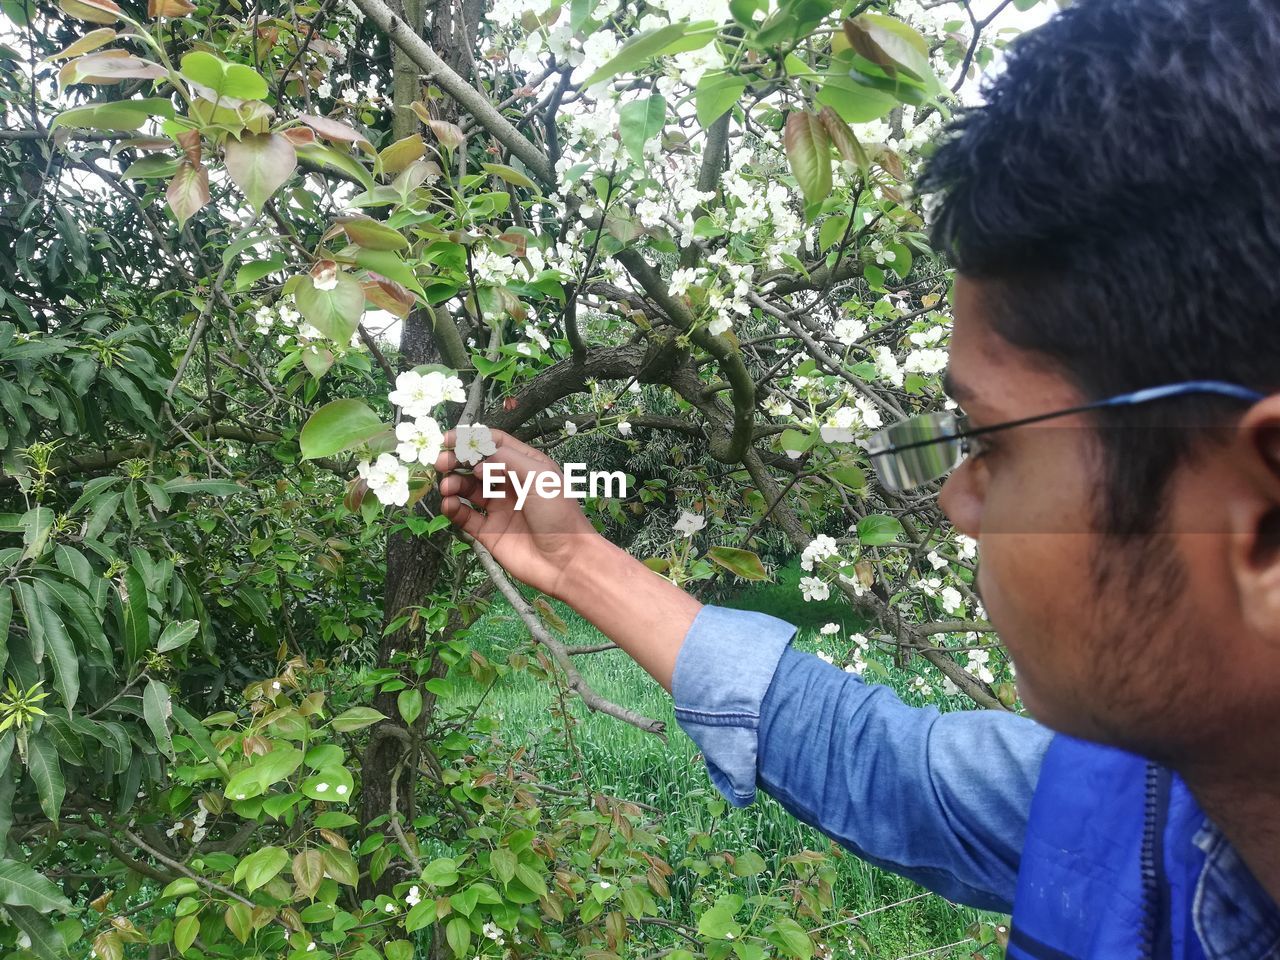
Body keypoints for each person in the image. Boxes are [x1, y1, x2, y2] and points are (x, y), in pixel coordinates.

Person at [434, 0, 1280, 954]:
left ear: (1263, 524)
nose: (956, 500)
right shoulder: (1138, 798)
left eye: (994, 441)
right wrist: (577, 559)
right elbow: (874, 762)